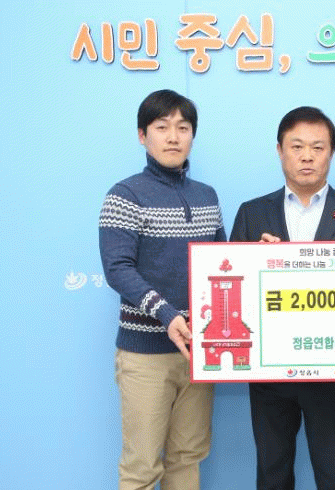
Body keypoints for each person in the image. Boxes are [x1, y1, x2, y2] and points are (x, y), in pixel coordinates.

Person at [230, 106, 335, 490]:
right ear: (280, 150)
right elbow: (233, 291)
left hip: (332, 374)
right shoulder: (251, 214)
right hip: (268, 373)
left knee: (334, 476)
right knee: (272, 475)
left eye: (318, 147)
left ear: (332, 152)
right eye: (297, 146)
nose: (307, 156)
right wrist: (256, 262)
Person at [99, 89, 226, 490]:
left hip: (198, 353)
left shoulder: (207, 196)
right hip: (145, 354)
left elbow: (222, 264)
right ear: (143, 135)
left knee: (187, 458)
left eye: (183, 128)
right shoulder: (125, 195)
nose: (173, 137)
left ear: (192, 136)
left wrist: (259, 258)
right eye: (162, 127)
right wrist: (168, 315)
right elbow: (117, 268)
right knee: (141, 468)